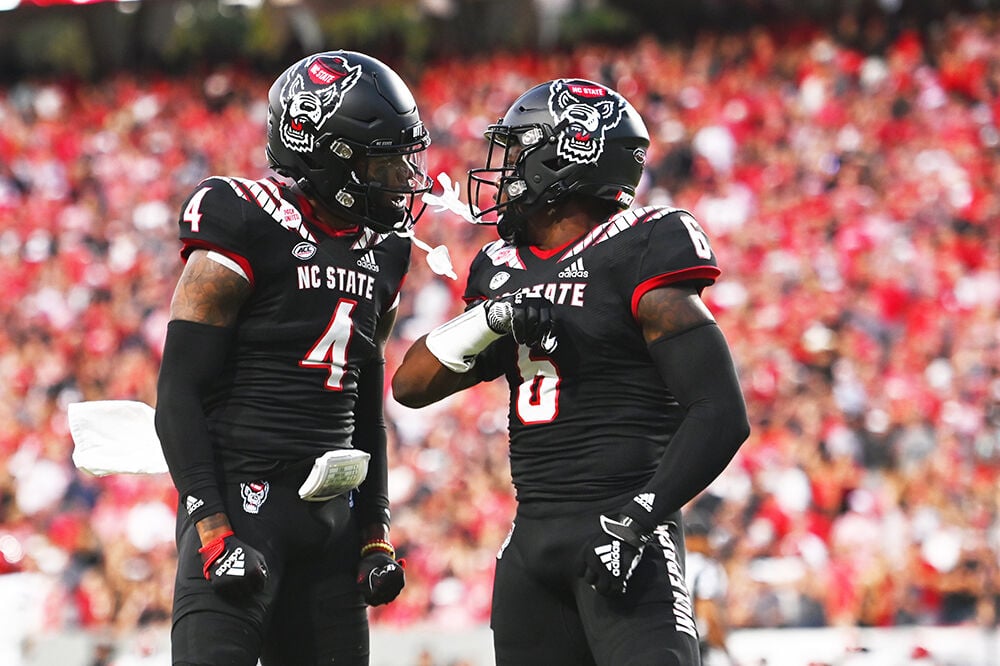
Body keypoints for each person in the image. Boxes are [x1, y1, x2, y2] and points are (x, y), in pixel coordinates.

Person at [392, 78, 750, 665]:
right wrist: (490, 320)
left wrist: (639, 518)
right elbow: (410, 387)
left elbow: (720, 413)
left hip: (625, 532)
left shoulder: (641, 245)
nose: (506, 174)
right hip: (532, 545)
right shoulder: (500, 267)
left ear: (567, 155)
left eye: (520, 153)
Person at [154, 50, 431, 665]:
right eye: (383, 162)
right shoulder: (243, 218)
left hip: (329, 515)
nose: (402, 178)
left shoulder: (386, 251)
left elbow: (365, 396)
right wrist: (211, 530)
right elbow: (177, 394)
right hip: (240, 506)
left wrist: (375, 532)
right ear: (329, 155)